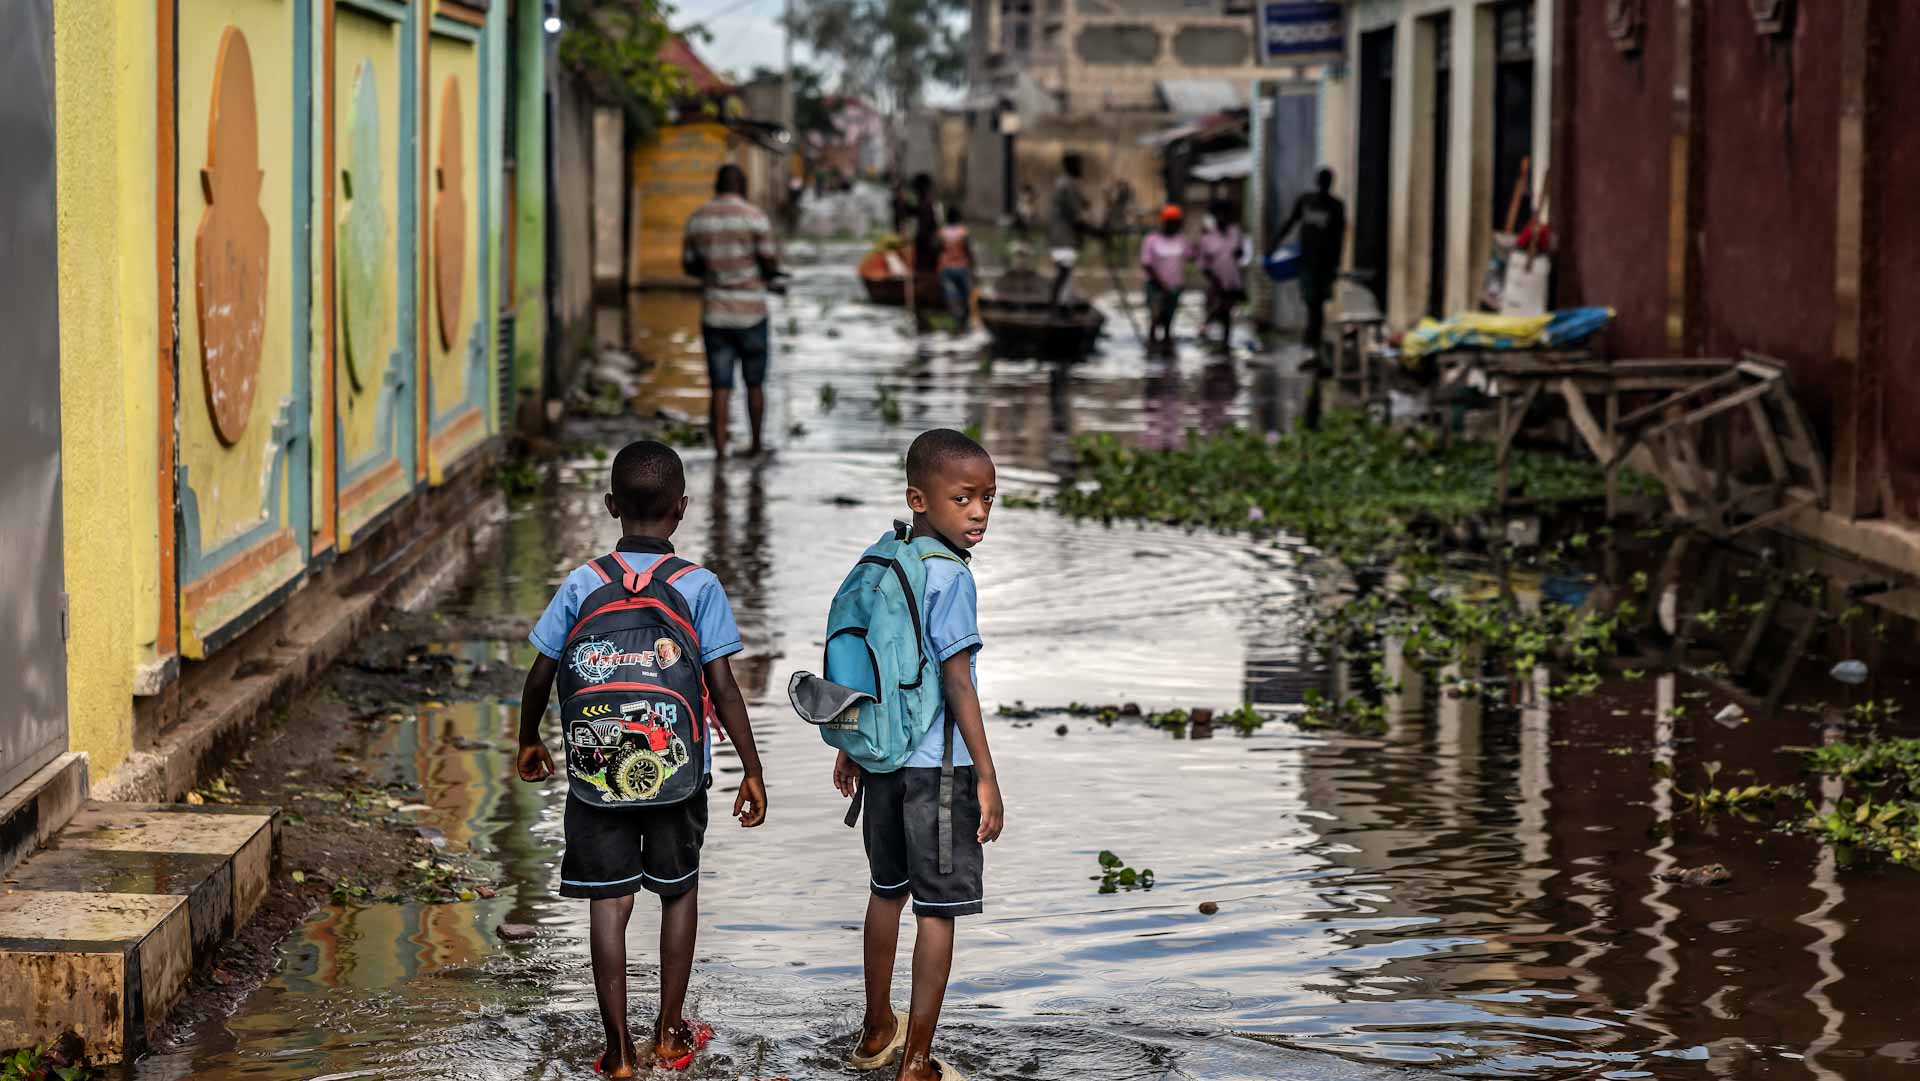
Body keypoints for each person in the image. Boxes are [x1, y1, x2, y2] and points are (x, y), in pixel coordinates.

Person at [515, 440, 769, 1078]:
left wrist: (529, 739)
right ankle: (669, 1034)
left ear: (610, 507)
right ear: (682, 509)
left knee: (610, 900)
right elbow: (723, 685)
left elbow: (541, 671)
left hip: (596, 773)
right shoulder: (698, 585)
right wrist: (752, 768)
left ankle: (619, 1052)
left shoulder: (582, 583)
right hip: (677, 774)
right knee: (677, 894)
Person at [837, 428, 1005, 1081]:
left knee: (886, 892)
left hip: (882, 759)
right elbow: (957, 681)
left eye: (989, 498)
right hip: (938, 768)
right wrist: (986, 775)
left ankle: (880, 1026)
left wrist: (855, 744)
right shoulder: (948, 577)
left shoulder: (888, 560)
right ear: (919, 496)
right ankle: (915, 1060)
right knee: (938, 910)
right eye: (962, 497)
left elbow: (870, 662)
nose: (979, 512)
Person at [683, 164, 781, 457]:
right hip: (752, 313)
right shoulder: (755, 218)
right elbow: (769, 263)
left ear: (717, 186)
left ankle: (720, 449)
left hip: (715, 313)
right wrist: (767, 274)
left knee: (720, 385)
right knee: (755, 383)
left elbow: (689, 264)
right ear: (743, 186)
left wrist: (714, 272)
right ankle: (755, 444)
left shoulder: (698, 219)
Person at [1271, 167, 1347, 358]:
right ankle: (1312, 339)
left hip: (1326, 263)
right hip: (1306, 261)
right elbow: (1291, 222)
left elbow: (1339, 236)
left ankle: (1313, 339)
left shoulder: (1336, 206)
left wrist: (1337, 262)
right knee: (1311, 300)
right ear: (1317, 182)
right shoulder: (1306, 201)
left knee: (1318, 303)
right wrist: (1275, 243)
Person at [1046, 152, 1102, 310]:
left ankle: (1061, 308)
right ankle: (1056, 309)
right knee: (1064, 272)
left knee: (1067, 276)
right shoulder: (1067, 185)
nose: (1081, 168)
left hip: (1063, 239)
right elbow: (1076, 218)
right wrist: (1096, 232)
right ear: (1070, 166)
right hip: (1063, 238)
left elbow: (1078, 208)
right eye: (1078, 164)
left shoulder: (1068, 184)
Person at [1197, 198, 1252, 350]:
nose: (1222, 217)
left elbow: (1241, 254)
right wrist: (1214, 281)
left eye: (1224, 214)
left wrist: (1238, 253)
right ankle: (1205, 334)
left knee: (1227, 312)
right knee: (1216, 310)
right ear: (1214, 216)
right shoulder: (1207, 238)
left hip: (1232, 281)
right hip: (1216, 282)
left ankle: (1224, 343)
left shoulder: (1236, 232)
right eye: (1218, 214)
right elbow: (1203, 265)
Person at [1139, 204, 1194, 354]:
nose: (1174, 225)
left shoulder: (1181, 240)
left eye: (1176, 222)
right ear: (1165, 222)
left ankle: (1167, 351)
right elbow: (1146, 264)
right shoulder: (1152, 239)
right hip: (1155, 286)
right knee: (1155, 318)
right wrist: (1161, 283)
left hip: (1175, 286)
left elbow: (1191, 255)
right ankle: (1150, 352)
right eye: (1171, 222)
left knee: (1169, 320)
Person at [936, 205, 976, 331]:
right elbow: (968, 251)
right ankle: (964, 321)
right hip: (961, 268)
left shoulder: (942, 232)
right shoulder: (963, 232)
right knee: (965, 295)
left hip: (946, 268)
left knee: (951, 294)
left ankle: (956, 319)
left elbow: (939, 249)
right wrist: (973, 267)